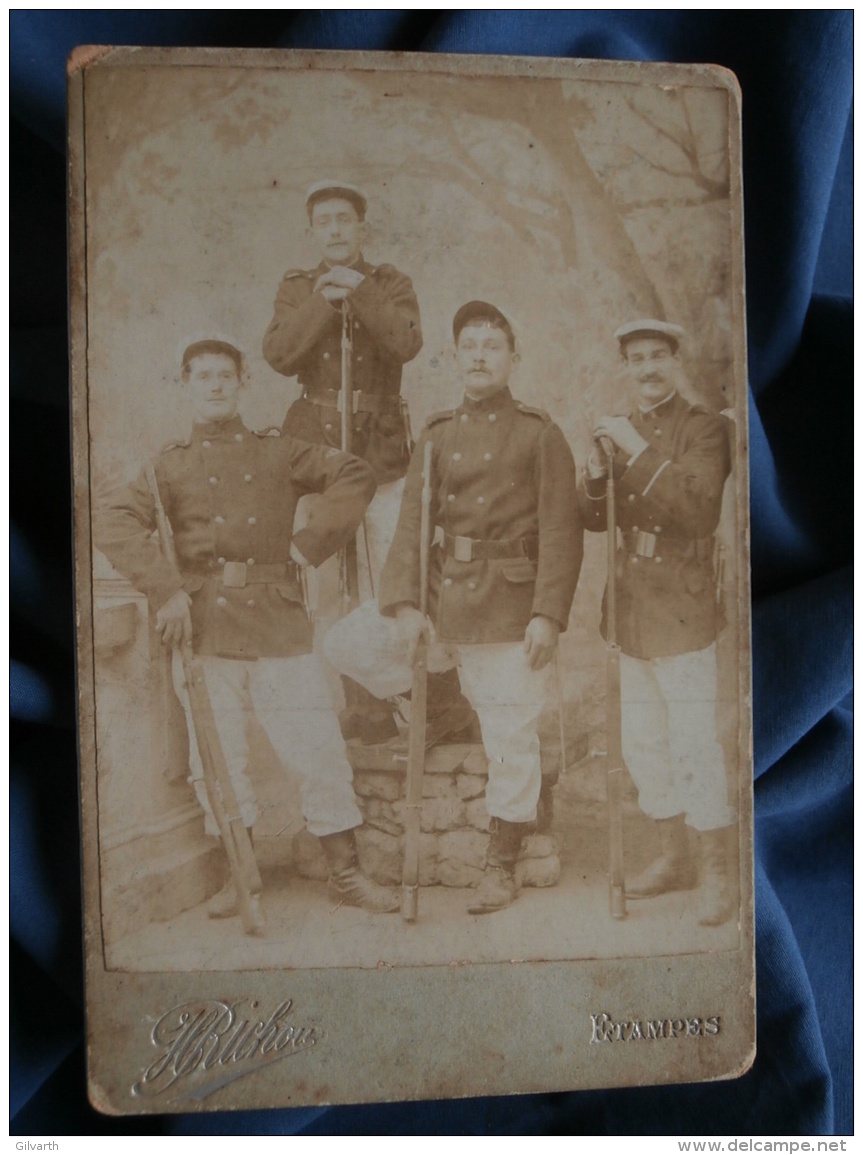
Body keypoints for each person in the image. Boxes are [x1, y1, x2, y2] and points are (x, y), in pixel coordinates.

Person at [94, 338, 401, 917]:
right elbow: (112, 520)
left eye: (225, 376)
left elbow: (355, 474)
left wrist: (309, 546)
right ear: (185, 384)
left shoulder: (278, 452)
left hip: (279, 623)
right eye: (203, 376)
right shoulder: (169, 464)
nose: (214, 386)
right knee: (221, 760)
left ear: (242, 384)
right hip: (205, 629)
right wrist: (166, 590)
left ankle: (345, 873)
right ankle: (242, 875)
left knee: (316, 747)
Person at [324, 302, 583, 914]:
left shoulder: (539, 432)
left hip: (509, 601)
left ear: (513, 359)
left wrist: (547, 614)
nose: (479, 355)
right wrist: (407, 605)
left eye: (493, 344)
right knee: (345, 643)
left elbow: (563, 533)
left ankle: (502, 862)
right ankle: (442, 703)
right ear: (455, 357)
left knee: (510, 738)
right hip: (444, 595)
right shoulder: (438, 434)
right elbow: (413, 526)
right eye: (469, 344)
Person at [263, 179, 476, 746]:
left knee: (394, 579)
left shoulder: (388, 283)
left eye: (344, 220)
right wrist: (322, 301)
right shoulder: (297, 287)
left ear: (361, 228)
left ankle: (446, 706)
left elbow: (406, 343)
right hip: (320, 455)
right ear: (314, 231)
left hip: (379, 452)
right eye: (324, 221)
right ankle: (369, 710)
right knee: (330, 586)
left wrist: (356, 293)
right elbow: (280, 354)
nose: (334, 229)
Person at [578, 319, 735, 927]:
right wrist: (596, 470)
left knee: (692, 737)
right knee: (644, 741)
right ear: (625, 367)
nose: (646, 369)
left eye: (658, 357)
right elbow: (593, 518)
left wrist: (635, 452)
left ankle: (716, 865)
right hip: (632, 604)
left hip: (682, 601)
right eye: (636, 359)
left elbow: (697, 509)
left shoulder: (705, 428)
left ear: (675, 360)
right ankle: (674, 856)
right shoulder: (618, 432)